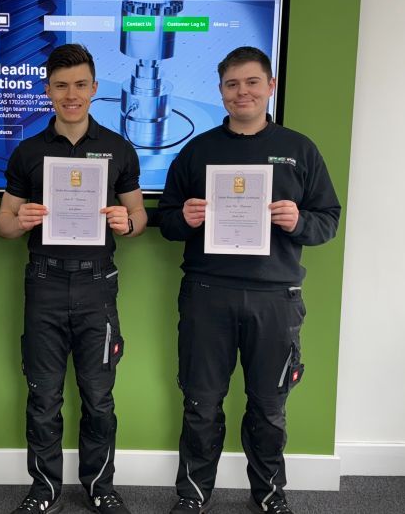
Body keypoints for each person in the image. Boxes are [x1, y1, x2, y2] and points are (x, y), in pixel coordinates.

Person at [157, 46, 341, 514]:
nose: (243, 92)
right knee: (201, 403)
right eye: (232, 84)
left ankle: (270, 496)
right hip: (206, 294)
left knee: (269, 407)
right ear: (220, 92)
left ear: (270, 86)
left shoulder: (300, 150)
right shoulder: (197, 150)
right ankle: (193, 496)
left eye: (252, 82)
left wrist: (299, 220)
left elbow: (329, 221)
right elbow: (166, 221)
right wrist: (186, 216)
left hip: (275, 297)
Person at [0, 43, 147, 514]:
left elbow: (139, 214)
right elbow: (2, 222)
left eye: (80, 84)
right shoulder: (28, 152)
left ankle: (100, 486)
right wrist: (21, 221)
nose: (71, 94)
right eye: (61, 86)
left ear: (94, 89)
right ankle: (45, 490)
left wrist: (128, 222)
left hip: (97, 285)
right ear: (48, 91)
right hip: (43, 283)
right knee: (43, 396)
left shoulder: (119, 149)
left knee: (99, 397)